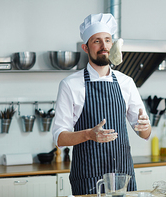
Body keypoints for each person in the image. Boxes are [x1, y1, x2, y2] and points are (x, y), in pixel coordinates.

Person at [52, 13, 152, 195]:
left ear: (112, 45)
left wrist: (145, 126)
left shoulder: (126, 82)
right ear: (86, 47)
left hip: (123, 177)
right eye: (97, 41)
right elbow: (60, 137)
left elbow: (145, 133)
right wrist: (89, 134)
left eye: (107, 40)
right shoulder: (70, 85)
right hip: (88, 179)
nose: (103, 46)